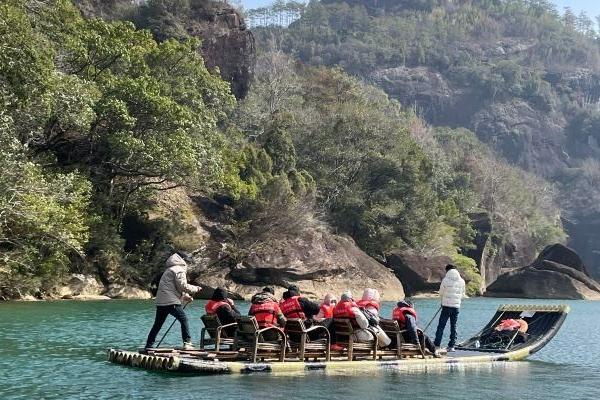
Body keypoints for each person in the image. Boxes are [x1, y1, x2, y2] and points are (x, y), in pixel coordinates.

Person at [145, 253, 201, 350]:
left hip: (161, 301)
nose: (188, 263)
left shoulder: (169, 269)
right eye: (187, 261)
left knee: (157, 324)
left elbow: (172, 288)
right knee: (184, 319)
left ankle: (149, 345)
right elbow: (182, 285)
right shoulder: (179, 270)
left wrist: (186, 297)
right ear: (182, 260)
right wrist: (195, 289)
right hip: (170, 302)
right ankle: (187, 343)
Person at [434, 264, 466, 352]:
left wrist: (443, 301)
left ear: (447, 270)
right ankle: (451, 346)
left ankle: (437, 345)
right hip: (456, 307)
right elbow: (463, 294)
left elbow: (441, 293)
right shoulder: (462, 281)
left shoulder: (445, 280)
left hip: (446, 306)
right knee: (454, 326)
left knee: (441, 325)